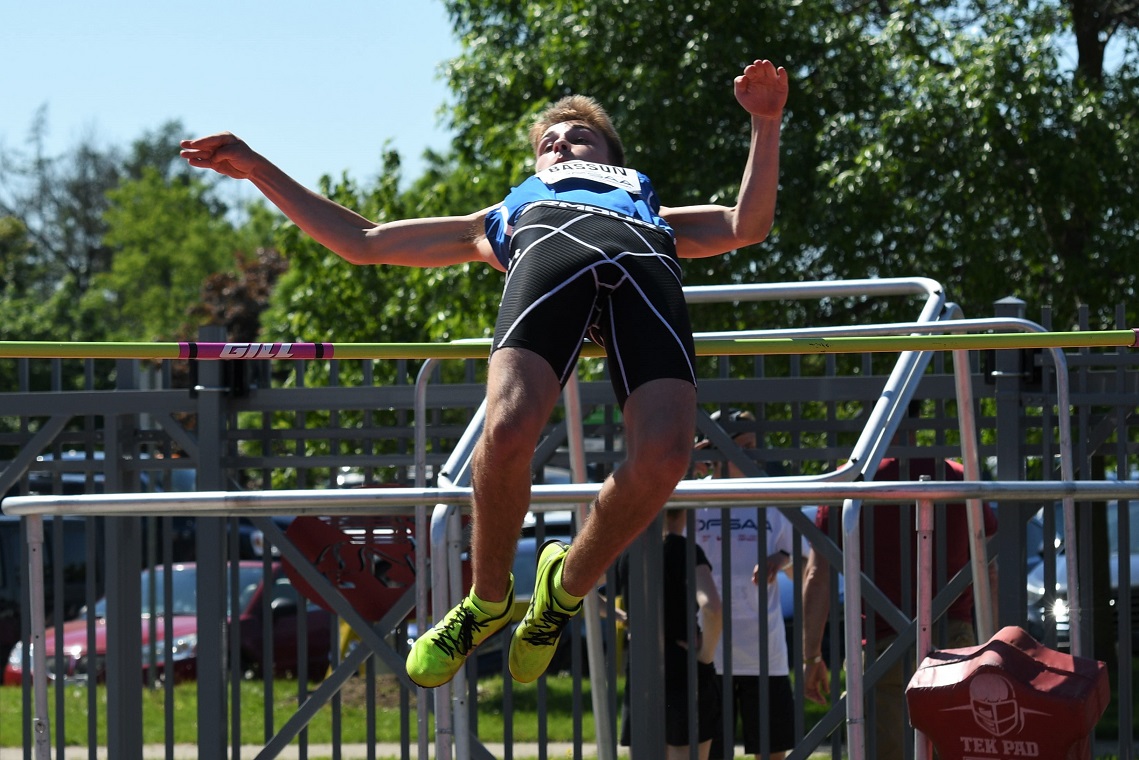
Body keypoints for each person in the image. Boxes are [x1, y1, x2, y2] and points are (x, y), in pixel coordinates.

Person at [181, 58, 788, 688]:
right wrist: (256, 169)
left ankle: (563, 589)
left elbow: (748, 224)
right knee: (505, 431)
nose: (562, 142)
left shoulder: (648, 205)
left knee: (665, 459)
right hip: (550, 257)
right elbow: (364, 241)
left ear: (611, 154)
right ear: (537, 167)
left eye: (580, 135)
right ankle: (486, 602)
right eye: (549, 141)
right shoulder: (504, 214)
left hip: (643, 271)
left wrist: (765, 123)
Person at [801, 451, 999, 760]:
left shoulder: (852, 481)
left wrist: (811, 656)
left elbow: (818, 575)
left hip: (882, 641)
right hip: (955, 637)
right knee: (957, 748)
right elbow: (986, 569)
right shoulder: (960, 478)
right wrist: (992, 646)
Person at [692, 410, 797, 760]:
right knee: (710, 751)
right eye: (744, 446)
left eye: (755, 445)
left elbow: (805, 565)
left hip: (764, 652)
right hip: (710, 652)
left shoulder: (771, 495)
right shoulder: (695, 499)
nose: (753, 454)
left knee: (772, 751)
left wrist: (782, 560)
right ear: (717, 448)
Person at [616, 509, 724, 759]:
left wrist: (622, 616)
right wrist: (705, 655)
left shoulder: (628, 550)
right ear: (685, 511)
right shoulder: (685, 550)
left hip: (642, 666)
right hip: (681, 664)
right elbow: (712, 608)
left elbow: (589, 590)